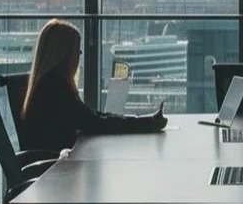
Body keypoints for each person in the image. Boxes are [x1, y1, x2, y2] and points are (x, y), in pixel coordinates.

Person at [21, 18, 168, 151]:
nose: (78, 58)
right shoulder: (55, 89)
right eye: (77, 52)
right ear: (64, 55)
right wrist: (146, 123)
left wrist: (145, 121)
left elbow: (91, 118)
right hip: (56, 170)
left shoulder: (48, 85)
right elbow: (94, 122)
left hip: (59, 165)